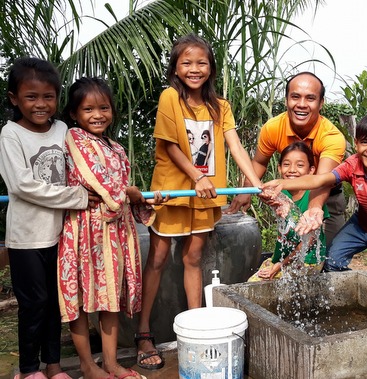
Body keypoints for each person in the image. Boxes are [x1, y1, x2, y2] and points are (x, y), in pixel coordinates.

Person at [135, 34, 262, 370]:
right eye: (187, 63)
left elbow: (235, 147)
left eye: (201, 63)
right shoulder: (169, 98)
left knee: (194, 258)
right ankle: (143, 333)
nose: (194, 69)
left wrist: (255, 181)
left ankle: (195, 328)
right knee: (159, 258)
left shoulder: (220, 106)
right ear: (176, 68)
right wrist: (197, 176)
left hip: (205, 195)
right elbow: (172, 146)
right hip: (176, 190)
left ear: (211, 67)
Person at [57, 77, 163, 379]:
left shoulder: (116, 147)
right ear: (75, 115)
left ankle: (111, 362)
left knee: (110, 296)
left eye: (103, 107)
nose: (97, 115)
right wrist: (128, 193)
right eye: (88, 109)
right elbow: (97, 180)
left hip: (117, 232)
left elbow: (124, 191)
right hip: (85, 229)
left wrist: (143, 199)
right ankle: (88, 365)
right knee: (79, 297)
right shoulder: (74, 138)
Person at [0, 58, 94, 379]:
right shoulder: (10, 134)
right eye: (31, 97)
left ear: (57, 98)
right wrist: (78, 197)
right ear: (14, 98)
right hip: (26, 237)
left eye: (48, 97)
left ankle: (53, 366)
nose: (41, 104)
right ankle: (28, 370)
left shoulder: (62, 129)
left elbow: (77, 169)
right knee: (33, 304)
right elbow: (22, 185)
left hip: (61, 234)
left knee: (56, 303)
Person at [263, 112, 367, 284]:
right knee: (332, 263)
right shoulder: (352, 164)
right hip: (361, 224)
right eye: (365, 142)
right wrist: (282, 183)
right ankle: (357, 284)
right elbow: (320, 179)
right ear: (356, 143)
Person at [226, 71, 347, 247]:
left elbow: (321, 181)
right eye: (295, 97)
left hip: (326, 195)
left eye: (310, 98)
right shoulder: (273, 127)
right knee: (291, 251)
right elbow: (260, 161)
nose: (301, 104)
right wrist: (246, 190)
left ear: (321, 103)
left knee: (328, 253)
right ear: (286, 100)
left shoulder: (332, 136)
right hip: (291, 196)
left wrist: (314, 208)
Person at [248, 142, 327, 282]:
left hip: (308, 261)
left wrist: (280, 265)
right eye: (286, 164)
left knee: (257, 284)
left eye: (300, 165)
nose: (292, 170)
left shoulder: (314, 198)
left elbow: (308, 241)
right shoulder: (280, 193)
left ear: (311, 170)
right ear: (279, 168)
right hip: (282, 258)